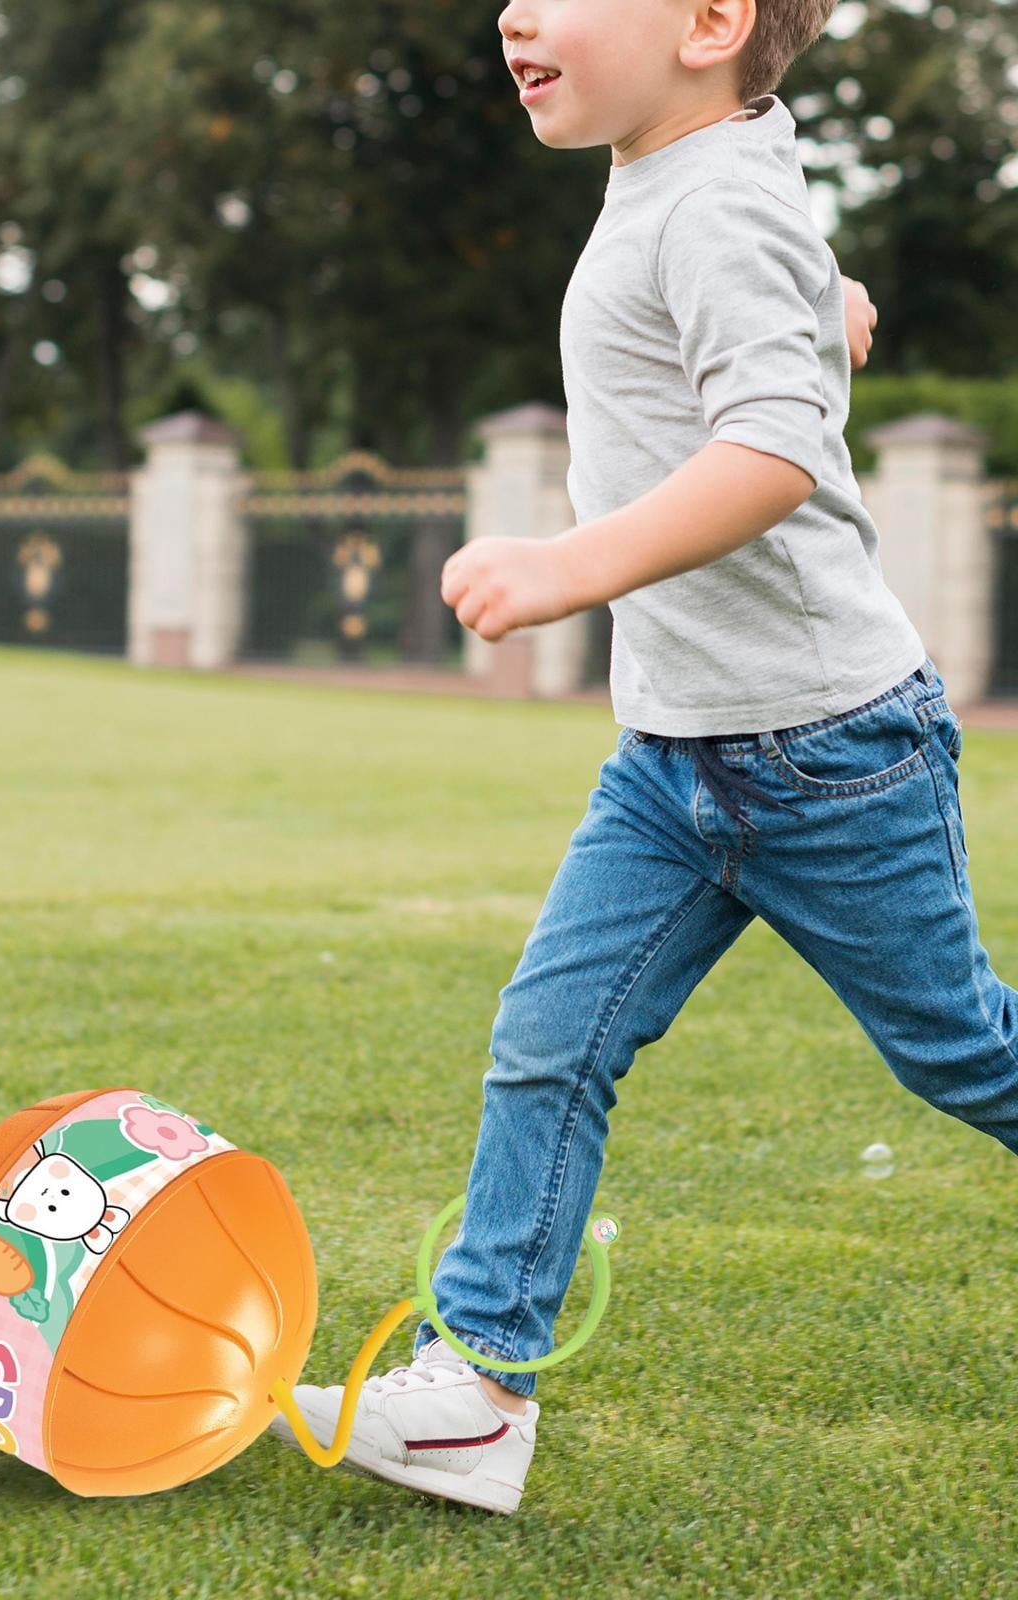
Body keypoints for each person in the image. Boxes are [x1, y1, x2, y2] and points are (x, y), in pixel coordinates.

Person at [269, 0, 1018, 1514]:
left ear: (710, 21)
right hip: (672, 767)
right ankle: (478, 1392)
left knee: (967, 1056)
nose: (514, 12)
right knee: (551, 1039)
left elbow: (775, 451)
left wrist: (568, 568)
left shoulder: (720, 195)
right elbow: (757, 264)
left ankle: (477, 1382)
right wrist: (827, 298)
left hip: (828, 756)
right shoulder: (701, 169)